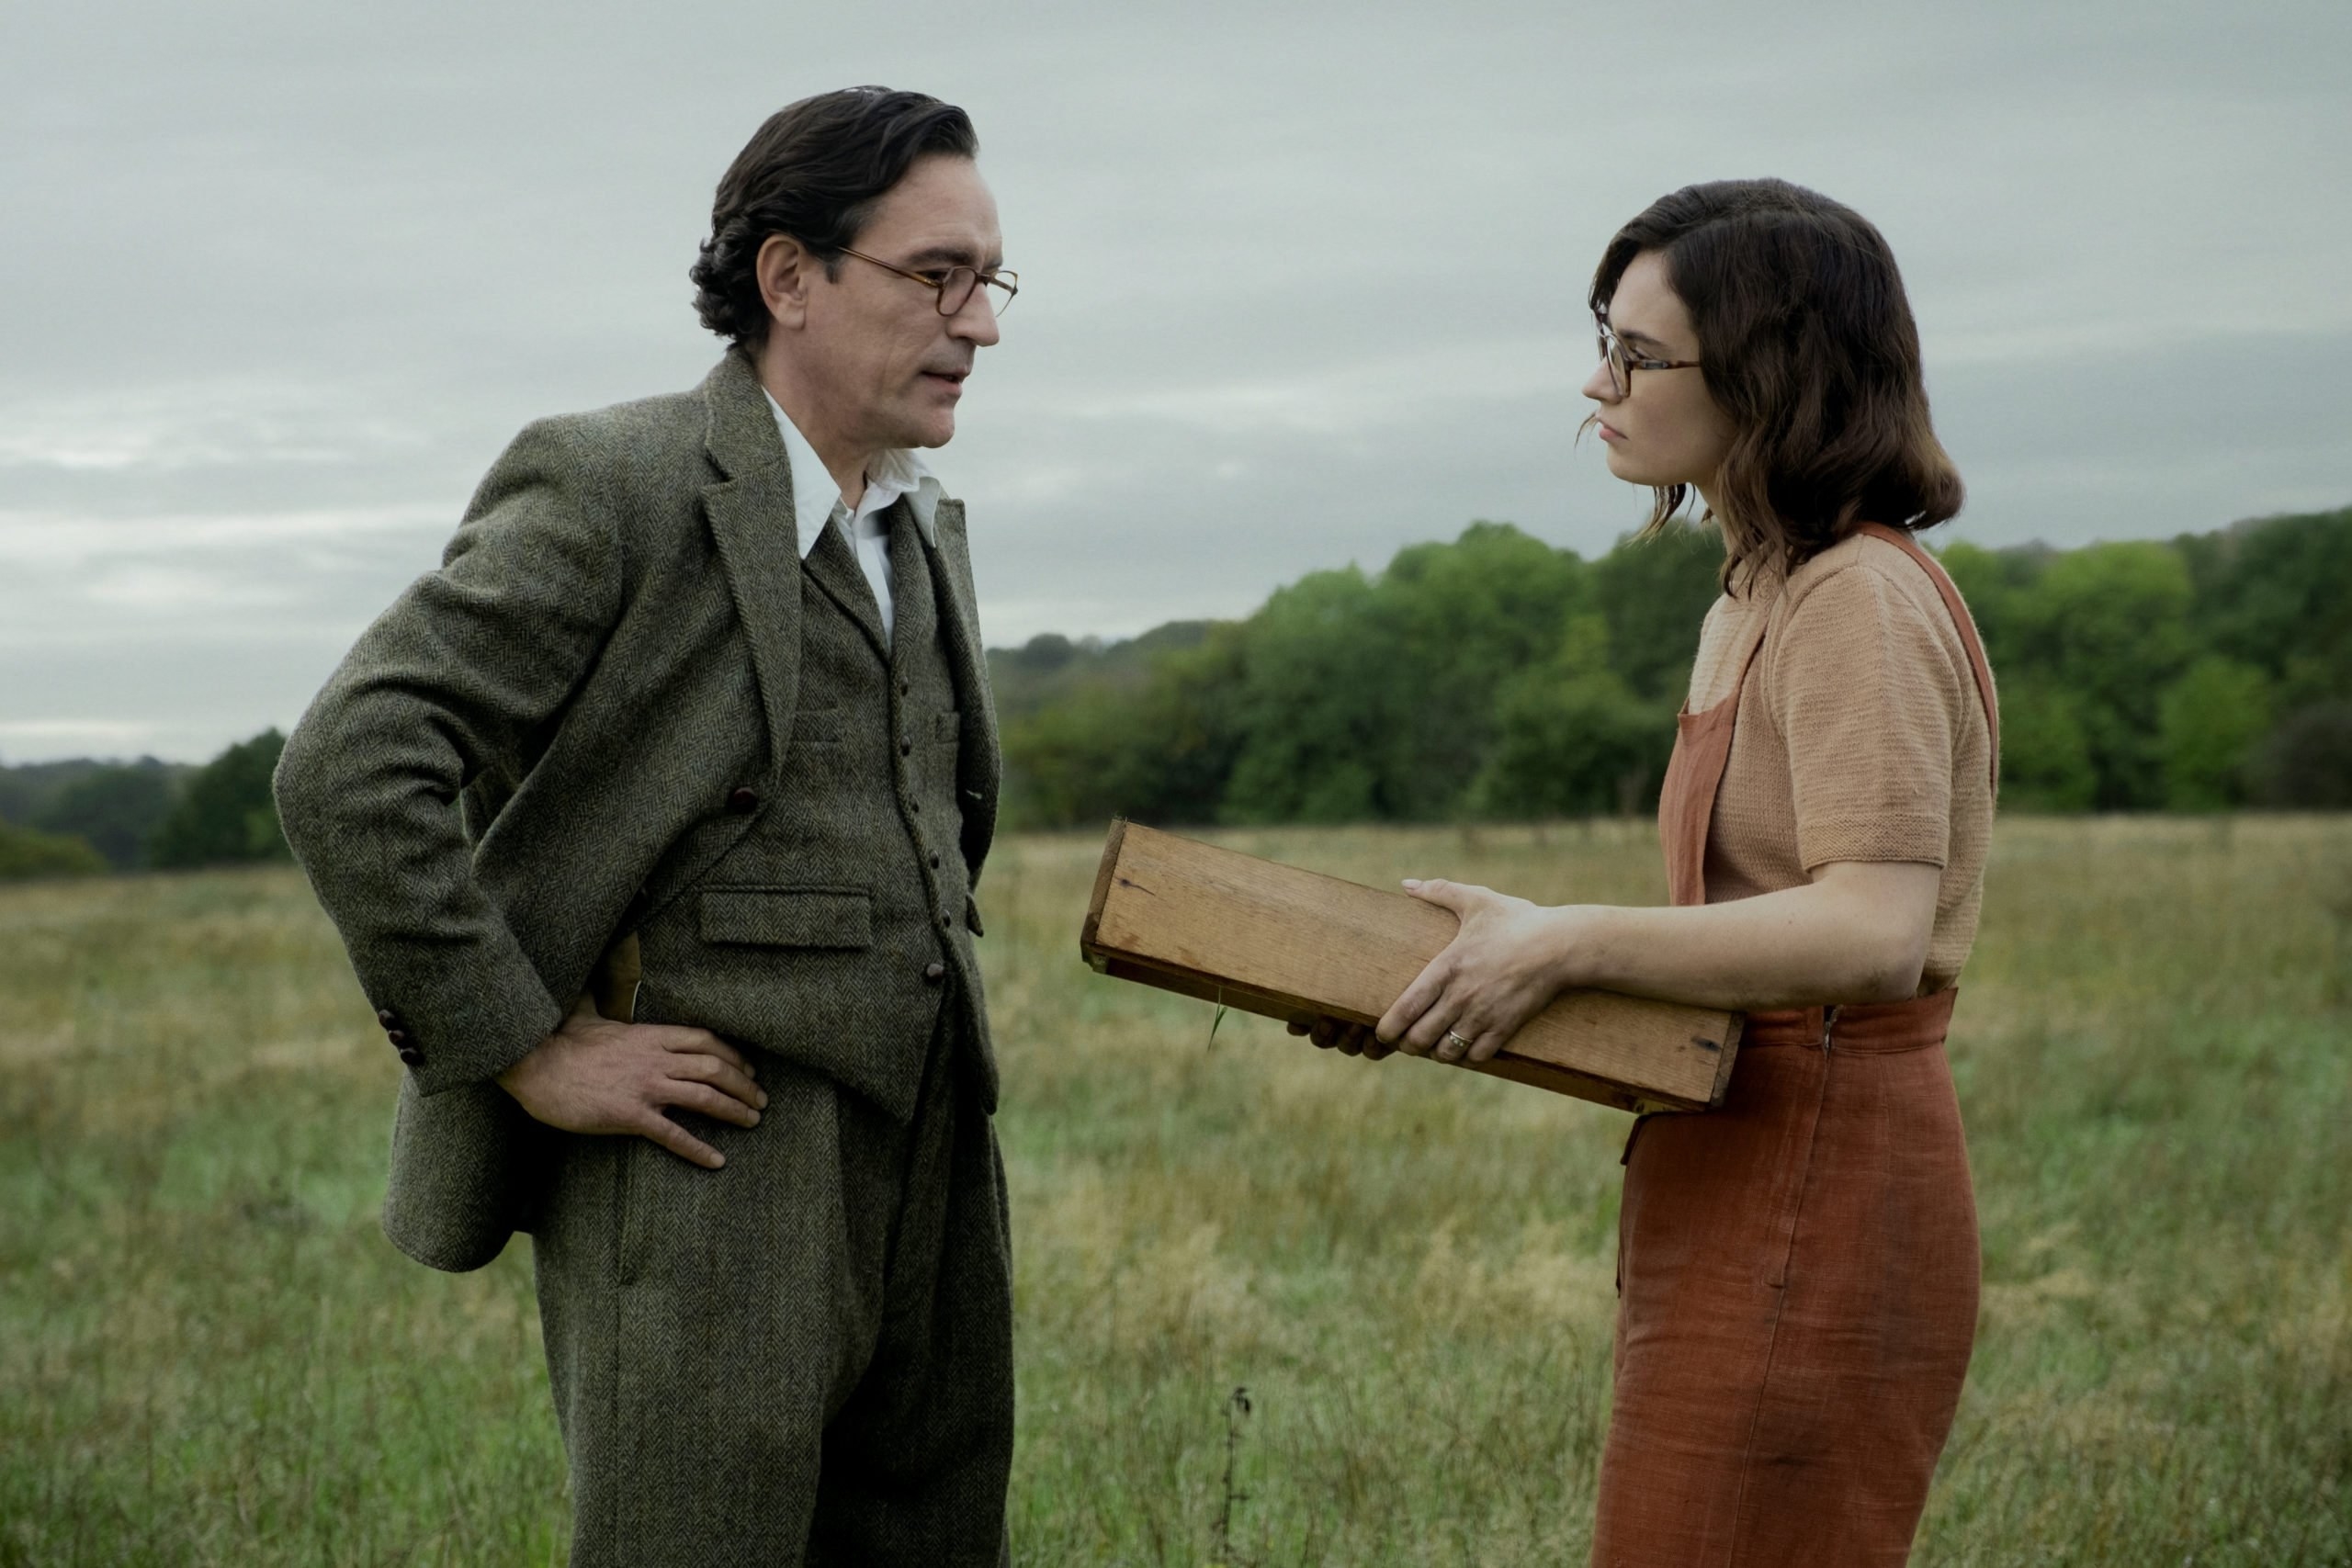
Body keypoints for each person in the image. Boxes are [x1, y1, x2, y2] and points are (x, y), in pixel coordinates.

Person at [275, 87, 1019, 1566]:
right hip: (707, 1173)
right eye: (936, 276)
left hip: (938, 1156)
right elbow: (354, 757)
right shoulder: (616, 480)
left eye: (990, 280)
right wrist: (523, 1044)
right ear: (790, 277)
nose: (979, 322)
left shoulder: (921, 522)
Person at [1307, 179, 1996, 1564]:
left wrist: (1560, 943)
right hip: (1729, 1150)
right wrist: (1443, 984)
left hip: (1821, 1180)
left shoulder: (1856, 599)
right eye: (1601, 339)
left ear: (1767, 372)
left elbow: (1873, 930)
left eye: (1636, 352)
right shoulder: (1759, 587)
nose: (1597, 382)